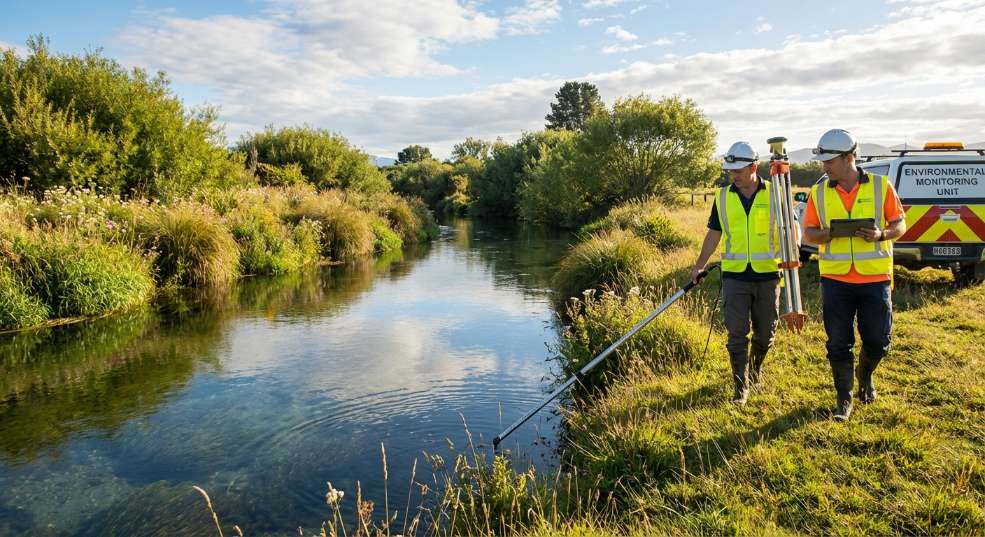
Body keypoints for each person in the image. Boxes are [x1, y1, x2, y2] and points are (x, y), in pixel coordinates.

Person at [802, 129, 906, 421]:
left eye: (830, 161)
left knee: (878, 342)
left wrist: (881, 234)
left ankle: (866, 373)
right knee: (838, 342)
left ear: (849, 158)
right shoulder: (818, 192)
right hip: (835, 280)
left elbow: (899, 224)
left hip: (874, 279)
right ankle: (843, 400)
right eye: (822, 161)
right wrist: (829, 233)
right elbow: (809, 232)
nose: (824, 167)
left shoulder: (880, 186)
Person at [691, 141, 785, 405]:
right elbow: (714, 234)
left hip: (767, 274)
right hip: (734, 276)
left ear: (754, 167)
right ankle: (740, 386)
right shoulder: (722, 197)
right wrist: (699, 265)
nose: (733, 175)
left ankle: (755, 367)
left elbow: (791, 228)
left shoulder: (775, 194)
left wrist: (794, 254)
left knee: (765, 333)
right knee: (736, 333)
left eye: (738, 170)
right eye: (730, 170)